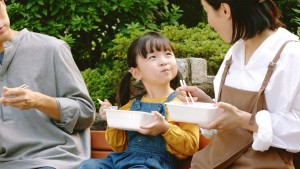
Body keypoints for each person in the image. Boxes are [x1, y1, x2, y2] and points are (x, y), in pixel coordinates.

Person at [176, 0, 300, 168]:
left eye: (207, 11)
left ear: (226, 10)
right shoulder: (235, 52)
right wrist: (208, 105)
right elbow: (231, 117)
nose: (208, 22)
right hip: (214, 161)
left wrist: (245, 120)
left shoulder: (291, 54)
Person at [78, 32, 200, 169]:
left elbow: (191, 146)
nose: (164, 61)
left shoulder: (182, 104)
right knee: (88, 165)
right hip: (122, 160)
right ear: (136, 73)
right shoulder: (131, 105)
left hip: (155, 165)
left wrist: (165, 129)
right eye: (153, 57)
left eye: (168, 54)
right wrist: (112, 120)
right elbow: (118, 147)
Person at [0, 1, 96, 169]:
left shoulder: (52, 48)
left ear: (2, 3)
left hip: (50, 158)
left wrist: (39, 101)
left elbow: (86, 113)